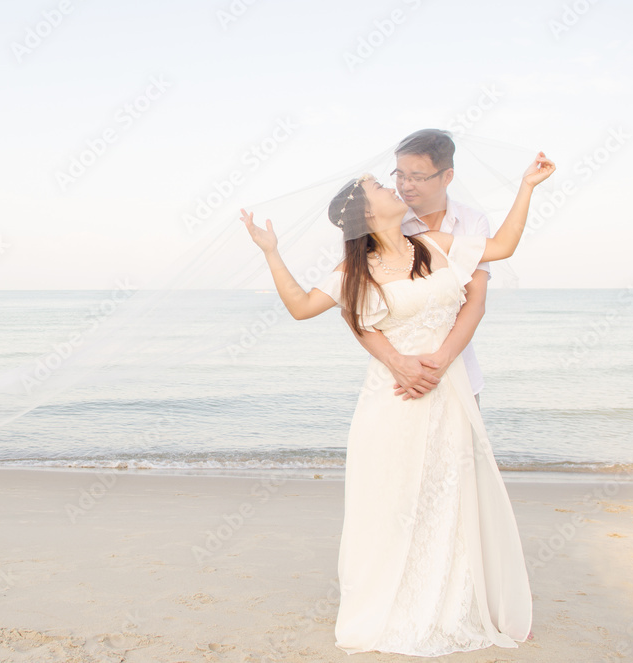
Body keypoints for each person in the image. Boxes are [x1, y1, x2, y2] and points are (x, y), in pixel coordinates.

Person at [238, 151, 555, 656]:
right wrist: (271, 251)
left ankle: (452, 603)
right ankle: (391, 605)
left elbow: (503, 246)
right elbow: (301, 307)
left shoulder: (431, 244)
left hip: (446, 394)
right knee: (393, 503)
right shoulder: (354, 268)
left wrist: (527, 186)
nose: (393, 189)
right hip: (393, 400)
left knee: (450, 499)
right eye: (380, 188)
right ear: (368, 212)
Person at [345, 129, 491, 405]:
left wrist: (439, 363)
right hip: (397, 379)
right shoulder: (386, 219)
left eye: (417, 177)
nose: (405, 185)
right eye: (399, 175)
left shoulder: (472, 222)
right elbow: (353, 308)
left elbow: (475, 301)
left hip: (459, 372)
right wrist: (396, 362)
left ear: (447, 176)